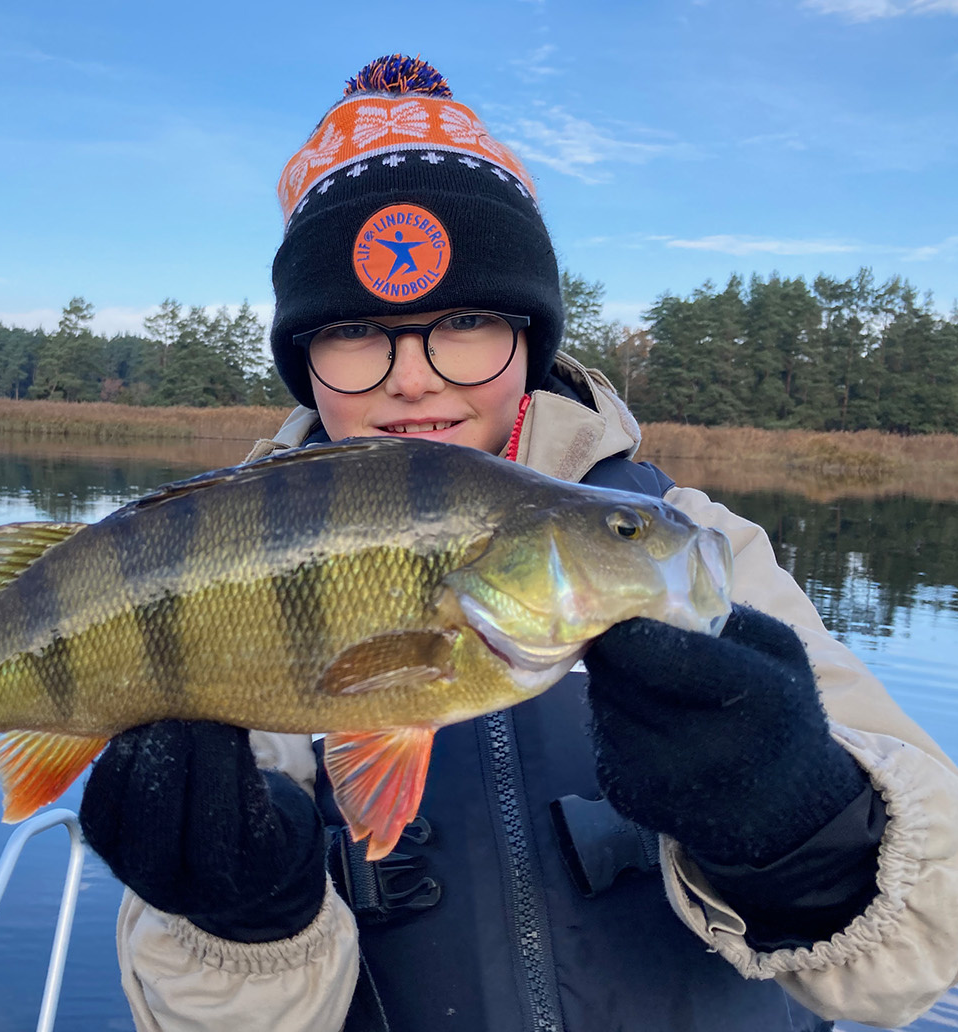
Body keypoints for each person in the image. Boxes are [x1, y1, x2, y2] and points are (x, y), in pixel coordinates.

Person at [78, 55, 958, 1031]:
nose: (412, 378)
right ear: (303, 357)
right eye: (354, 330)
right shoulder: (225, 564)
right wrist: (242, 920)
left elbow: (916, 965)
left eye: (463, 321)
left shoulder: (697, 545)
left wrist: (806, 833)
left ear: (529, 336)